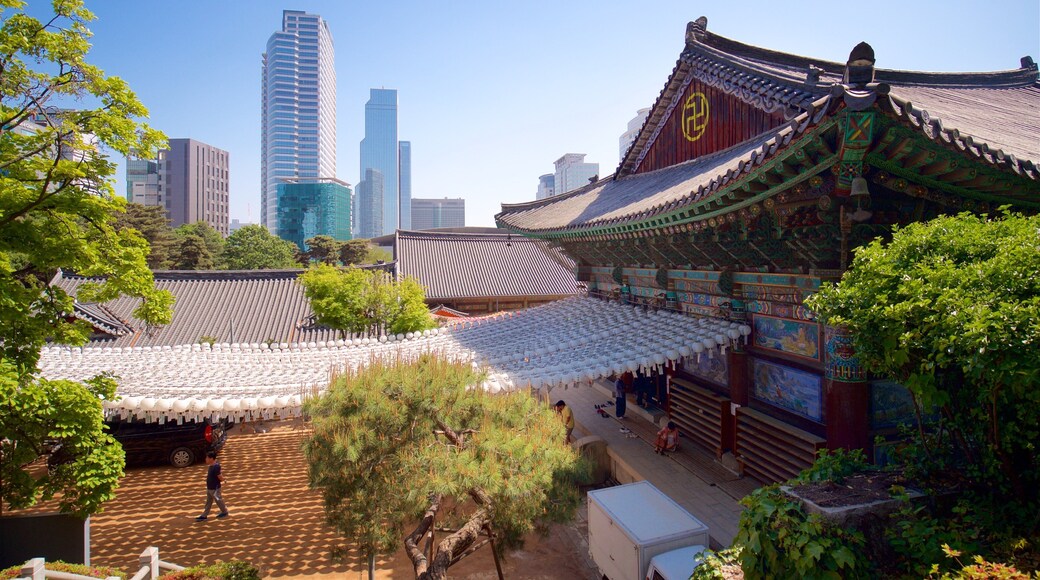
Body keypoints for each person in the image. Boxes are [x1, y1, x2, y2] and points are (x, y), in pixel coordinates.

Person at [196, 450, 228, 521]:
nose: (206, 459)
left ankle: (224, 511)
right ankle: (204, 515)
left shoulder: (216, 467)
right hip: (210, 488)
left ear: (211, 458)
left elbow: (219, 476)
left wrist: (223, 480)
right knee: (208, 502)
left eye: (207, 458)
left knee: (218, 500)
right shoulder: (211, 466)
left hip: (215, 488)